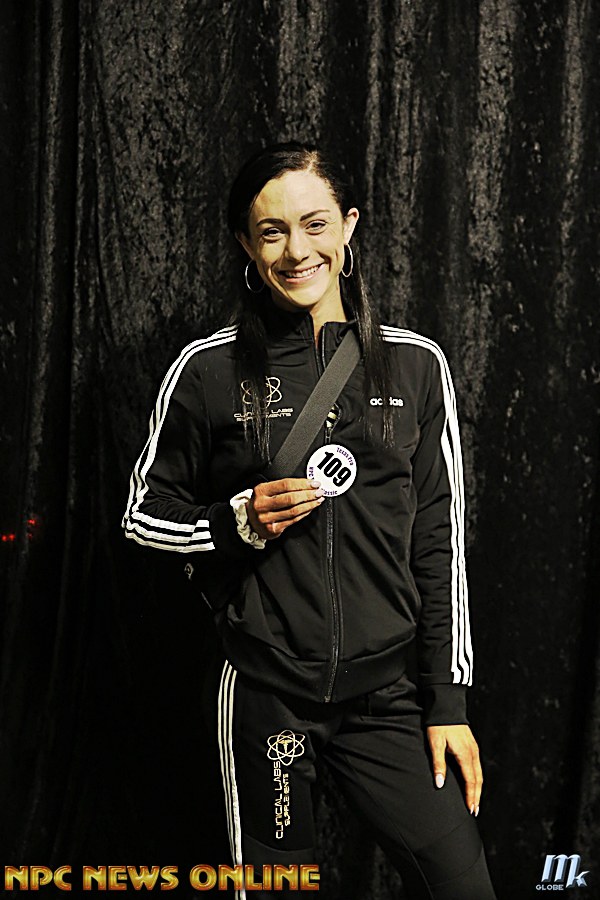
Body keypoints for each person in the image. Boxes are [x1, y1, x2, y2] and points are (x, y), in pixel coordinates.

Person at [122, 142, 497, 899]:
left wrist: (448, 702)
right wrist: (234, 522)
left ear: (349, 227)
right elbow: (141, 515)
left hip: (386, 698)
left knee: (462, 886)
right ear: (246, 244)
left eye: (315, 224)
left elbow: (440, 541)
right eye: (272, 232)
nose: (297, 251)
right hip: (268, 695)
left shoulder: (416, 364)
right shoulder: (207, 370)